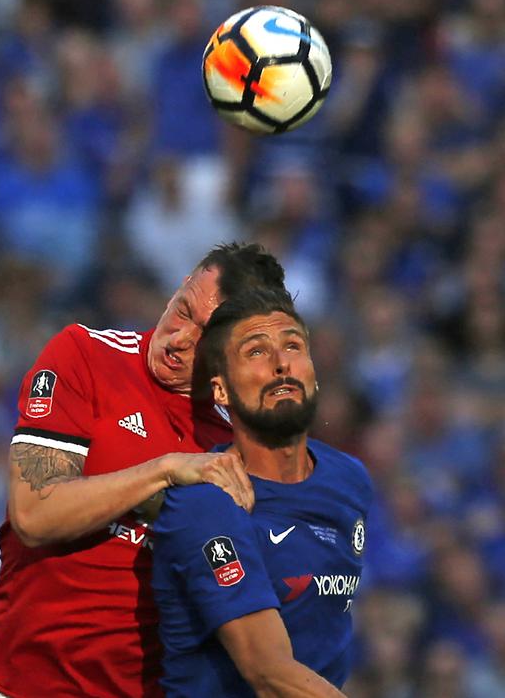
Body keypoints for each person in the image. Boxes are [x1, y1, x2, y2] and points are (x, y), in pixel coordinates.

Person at [0, 243, 288, 698]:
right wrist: (165, 471)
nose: (180, 338)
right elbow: (33, 514)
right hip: (29, 685)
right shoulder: (84, 356)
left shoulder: (245, 441)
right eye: (183, 311)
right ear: (180, 287)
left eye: (207, 337)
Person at [151, 288, 373, 697]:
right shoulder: (206, 503)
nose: (280, 364)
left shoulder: (349, 479)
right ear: (221, 391)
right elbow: (269, 674)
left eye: (293, 345)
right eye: (255, 352)